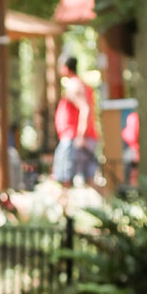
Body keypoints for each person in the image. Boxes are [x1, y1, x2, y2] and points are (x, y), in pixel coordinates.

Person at [53, 53, 101, 192]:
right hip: (80, 137)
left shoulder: (74, 85)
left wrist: (80, 135)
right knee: (89, 179)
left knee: (64, 179)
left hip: (74, 138)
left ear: (65, 68)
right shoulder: (81, 85)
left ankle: (65, 210)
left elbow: (85, 108)